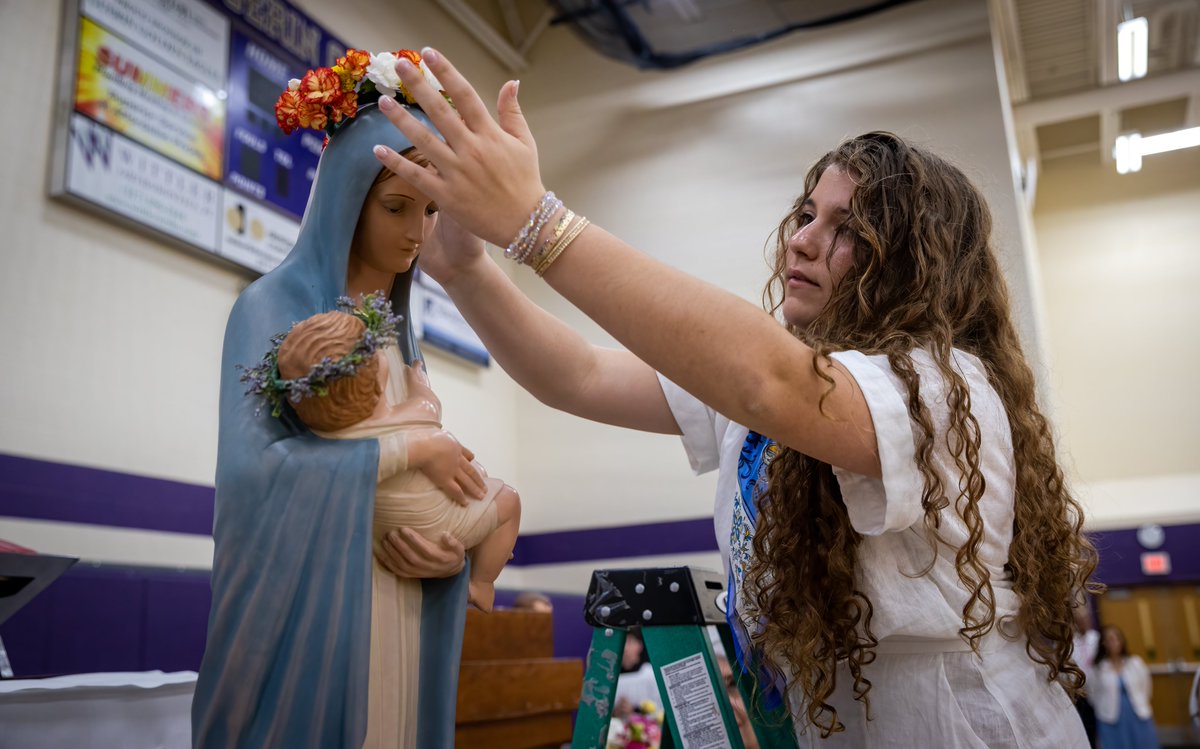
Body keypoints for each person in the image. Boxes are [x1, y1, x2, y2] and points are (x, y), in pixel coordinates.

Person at [367, 49, 1099, 747]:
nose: (803, 241)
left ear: (911, 267)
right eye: (807, 213)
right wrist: (466, 269)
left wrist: (536, 221)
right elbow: (578, 375)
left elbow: (768, 379)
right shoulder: (790, 374)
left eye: (848, 229)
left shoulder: (943, 386)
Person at [192, 49, 498, 749]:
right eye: (395, 206)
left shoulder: (402, 337)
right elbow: (251, 479)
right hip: (312, 626)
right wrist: (410, 444)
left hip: (398, 610)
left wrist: (449, 557)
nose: (418, 234)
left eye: (429, 209)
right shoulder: (269, 309)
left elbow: (424, 491)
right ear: (343, 201)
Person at [258, 304, 520, 613]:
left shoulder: (330, 435)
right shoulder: (407, 418)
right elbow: (428, 403)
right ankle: (483, 584)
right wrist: (418, 386)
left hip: (386, 539)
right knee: (509, 501)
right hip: (431, 525)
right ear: (379, 376)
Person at [1090, 624, 1160, 749]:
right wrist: (1103, 708)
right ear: (1103, 643)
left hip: (1138, 714)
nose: (1113, 642)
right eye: (1108, 639)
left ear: (1121, 641)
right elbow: (1093, 694)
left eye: (1115, 638)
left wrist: (1142, 702)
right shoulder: (1099, 668)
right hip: (1110, 718)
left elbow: (1146, 688)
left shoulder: (1135, 663)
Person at [1072, 601, 1101, 747]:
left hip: (1096, 691)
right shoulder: (1071, 642)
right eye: (1078, 619)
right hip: (1079, 693)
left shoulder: (1097, 639)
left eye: (1084, 619)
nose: (1082, 622)